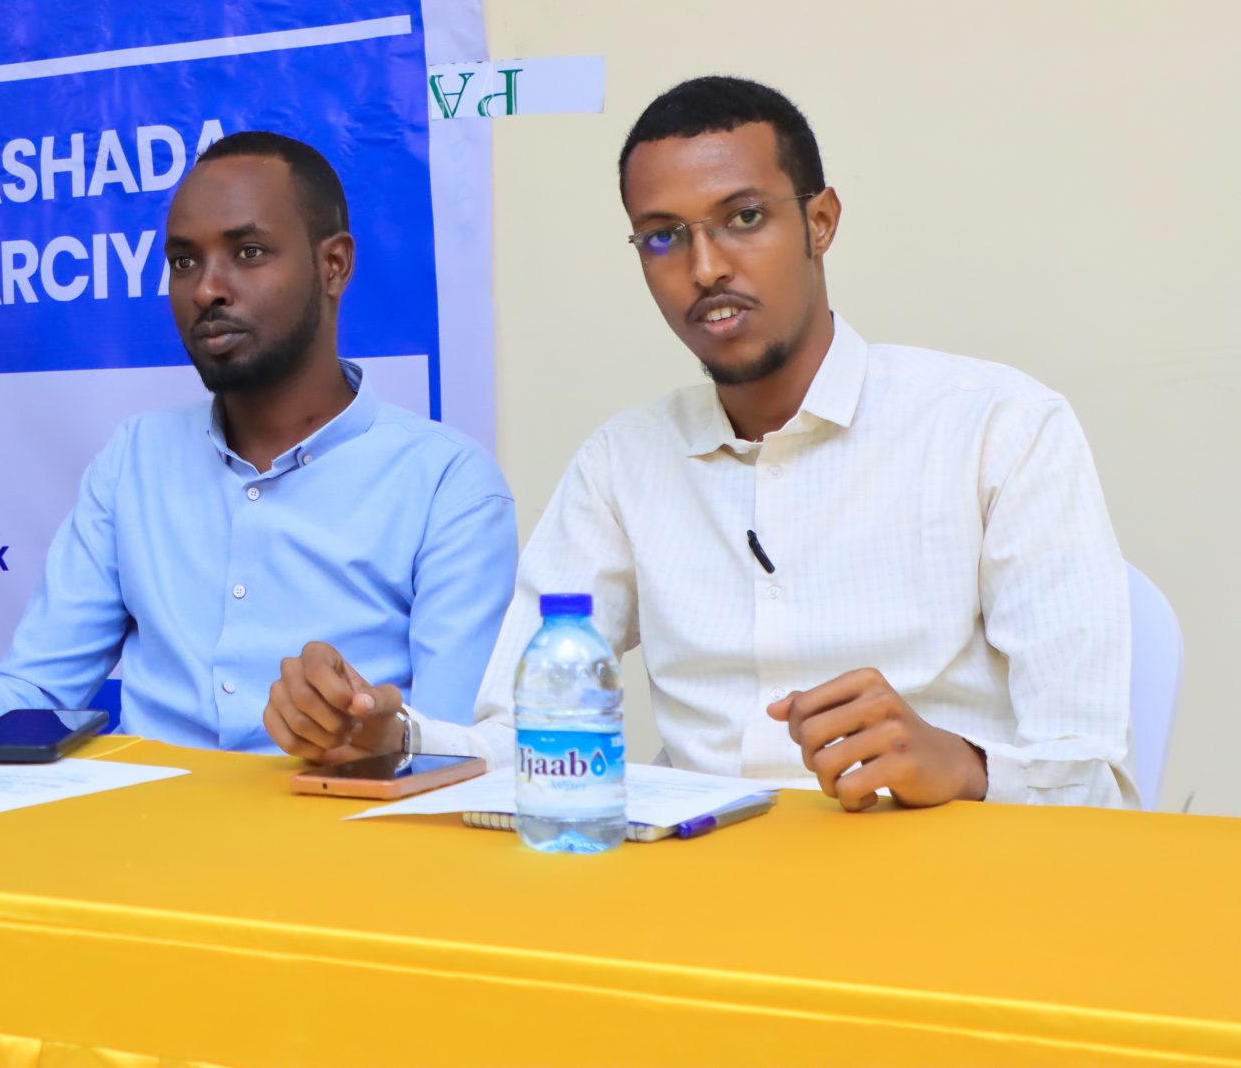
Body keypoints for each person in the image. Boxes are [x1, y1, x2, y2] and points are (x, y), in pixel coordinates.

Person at [269, 77, 1134, 809]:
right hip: (691, 893)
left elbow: (1100, 779)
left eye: (744, 216)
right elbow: (526, 737)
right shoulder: (624, 463)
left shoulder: (998, 430)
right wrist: (391, 736)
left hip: (935, 892)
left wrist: (964, 767)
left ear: (821, 221)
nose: (706, 266)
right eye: (663, 235)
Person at [0, 131, 517, 750]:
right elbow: (36, 693)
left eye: (248, 252)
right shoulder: (135, 459)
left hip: (334, 838)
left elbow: (451, 744)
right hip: (136, 832)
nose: (207, 288)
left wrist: (360, 733)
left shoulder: (447, 484)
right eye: (184, 262)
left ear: (333, 265)